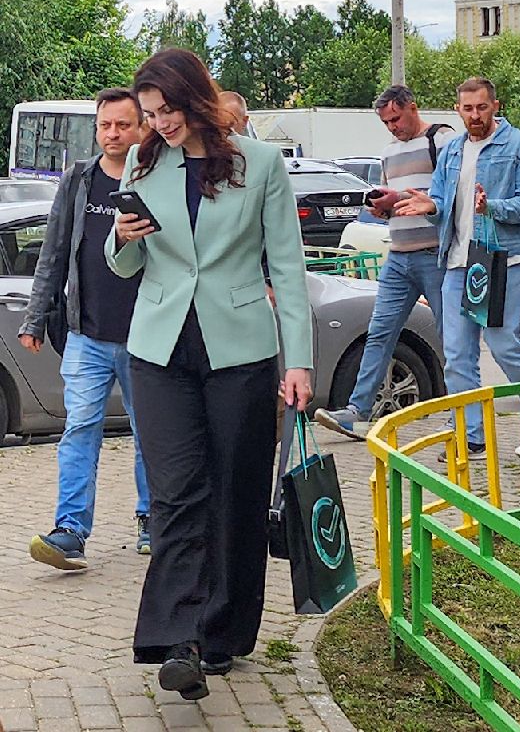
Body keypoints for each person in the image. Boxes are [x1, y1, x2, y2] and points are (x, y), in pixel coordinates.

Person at [107, 48, 313, 701]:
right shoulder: (145, 163)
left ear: (195, 99)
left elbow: (287, 268)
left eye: (166, 110)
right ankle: (180, 641)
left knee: (236, 497)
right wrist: (124, 236)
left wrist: (300, 360)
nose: (158, 123)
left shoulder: (263, 165)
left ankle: (223, 633)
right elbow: (123, 268)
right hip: (159, 349)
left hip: (242, 352)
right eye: (149, 114)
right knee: (176, 495)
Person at [20, 88, 151, 570]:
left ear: (142, 128)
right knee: (79, 428)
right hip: (86, 335)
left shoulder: (154, 179)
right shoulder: (78, 180)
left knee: (150, 432)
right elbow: (52, 253)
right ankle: (70, 531)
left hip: (146, 337)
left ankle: (152, 518)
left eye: (122, 125)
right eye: (105, 126)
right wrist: (35, 319)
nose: (112, 134)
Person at [393, 77, 520, 455]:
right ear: (458, 109)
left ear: (495, 105)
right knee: (457, 354)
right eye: (468, 109)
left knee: (503, 344)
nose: (475, 115)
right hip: (456, 261)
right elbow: (444, 204)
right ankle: (469, 435)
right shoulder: (451, 152)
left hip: (503, 258)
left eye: (482, 107)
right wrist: (432, 208)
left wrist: (492, 207)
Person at [315, 86, 454, 438]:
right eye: (385, 122)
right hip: (399, 255)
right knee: (379, 332)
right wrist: (381, 205)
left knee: (453, 337)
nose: (392, 127)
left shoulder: (442, 139)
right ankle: (358, 412)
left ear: (412, 107)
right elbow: (391, 200)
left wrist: (403, 197)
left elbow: (453, 194)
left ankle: (462, 415)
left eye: (395, 118)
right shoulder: (389, 151)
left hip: (435, 255)